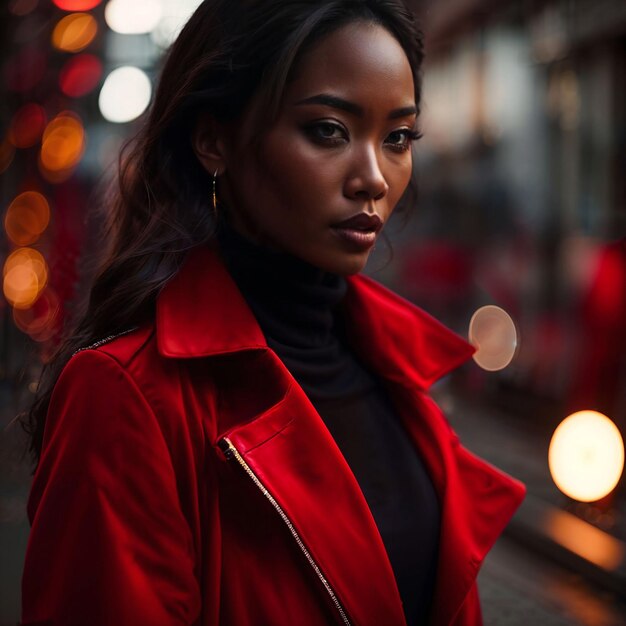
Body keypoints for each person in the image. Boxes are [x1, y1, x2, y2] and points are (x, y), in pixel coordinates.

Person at [20, 1, 525, 625]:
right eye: (328, 130)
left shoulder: (404, 377)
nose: (374, 177)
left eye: (397, 137)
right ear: (213, 138)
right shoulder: (128, 398)